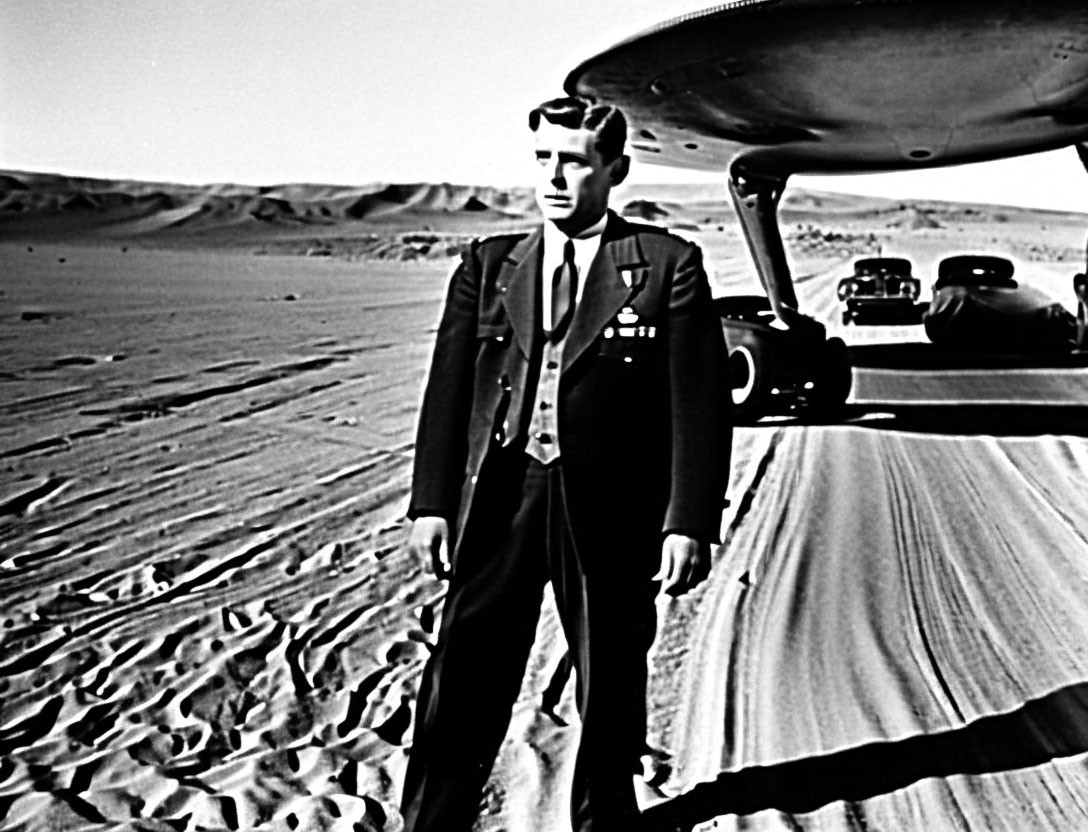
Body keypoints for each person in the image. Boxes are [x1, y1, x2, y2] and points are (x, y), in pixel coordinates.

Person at [400, 95, 732, 832]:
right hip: (504, 496)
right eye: (543, 159)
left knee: (610, 676)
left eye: (574, 162)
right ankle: (432, 822)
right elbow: (449, 391)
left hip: (611, 506)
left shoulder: (664, 265)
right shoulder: (488, 265)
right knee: (463, 671)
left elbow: (699, 403)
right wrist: (431, 503)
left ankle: (603, 820)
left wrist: (689, 521)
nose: (554, 177)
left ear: (614, 170)